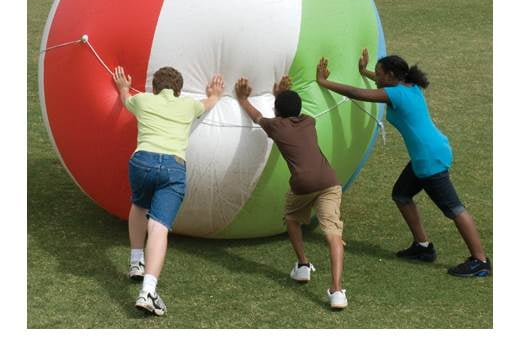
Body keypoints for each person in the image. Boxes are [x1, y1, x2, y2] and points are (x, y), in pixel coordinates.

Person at [316, 50, 491, 277]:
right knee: (401, 194)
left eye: (378, 74)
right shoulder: (410, 86)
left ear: (390, 75)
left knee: (454, 209)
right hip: (430, 153)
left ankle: (480, 260)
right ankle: (423, 247)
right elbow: (381, 85)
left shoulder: (395, 94)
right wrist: (363, 71)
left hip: (430, 160)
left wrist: (323, 81)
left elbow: (356, 93)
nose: (376, 78)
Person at [113, 66, 224, 315]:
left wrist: (122, 87)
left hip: (141, 161)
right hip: (173, 167)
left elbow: (125, 100)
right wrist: (215, 93)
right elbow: (209, 103)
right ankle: (148, 291)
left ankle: (135, 262)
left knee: (139, 205)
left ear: (154, 88)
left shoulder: (142, 100)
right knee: (159, 227)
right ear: (178, 90)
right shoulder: (187, 105)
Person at [234, 75, 348, 309]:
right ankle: (337, 291)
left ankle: (303, 265)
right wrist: (281, 96)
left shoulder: (276, 126)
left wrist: (242, 98)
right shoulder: (309, 121)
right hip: (329, 182)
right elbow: (289, 114)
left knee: (292, 219)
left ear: (277, 111)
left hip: (302, 185)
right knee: (333, 235)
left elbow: (256, 116)